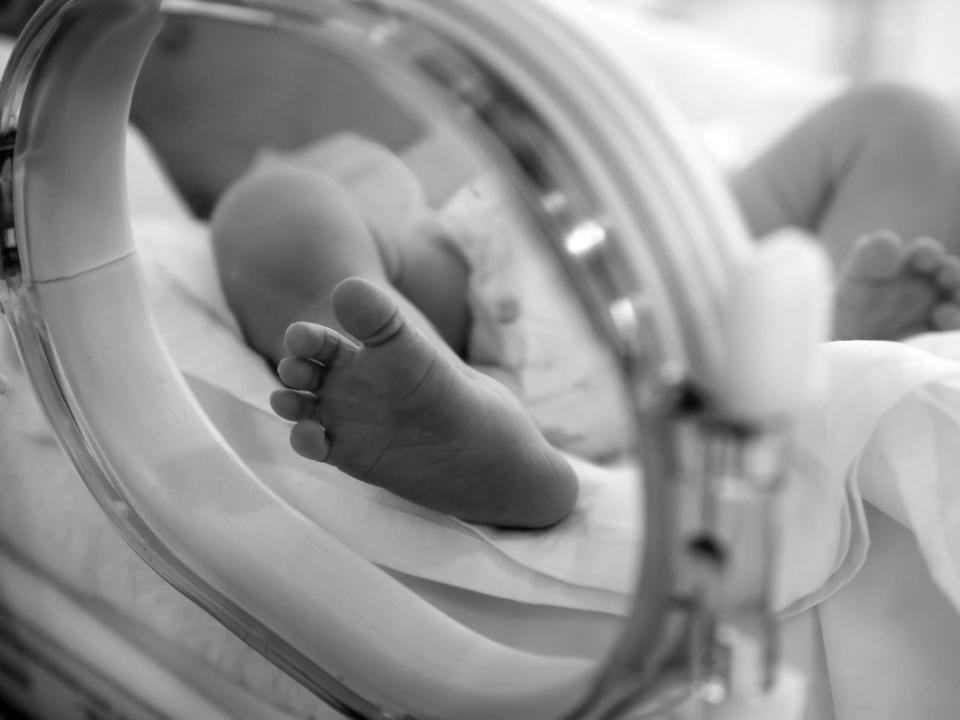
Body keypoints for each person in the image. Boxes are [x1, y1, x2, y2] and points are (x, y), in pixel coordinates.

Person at [209, 83, 960, 530]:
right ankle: (437, 400)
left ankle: (821, 339)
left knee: (910, 119)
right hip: (486, 301)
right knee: (279, 201)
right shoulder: (370, 156)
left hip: (700, 274)